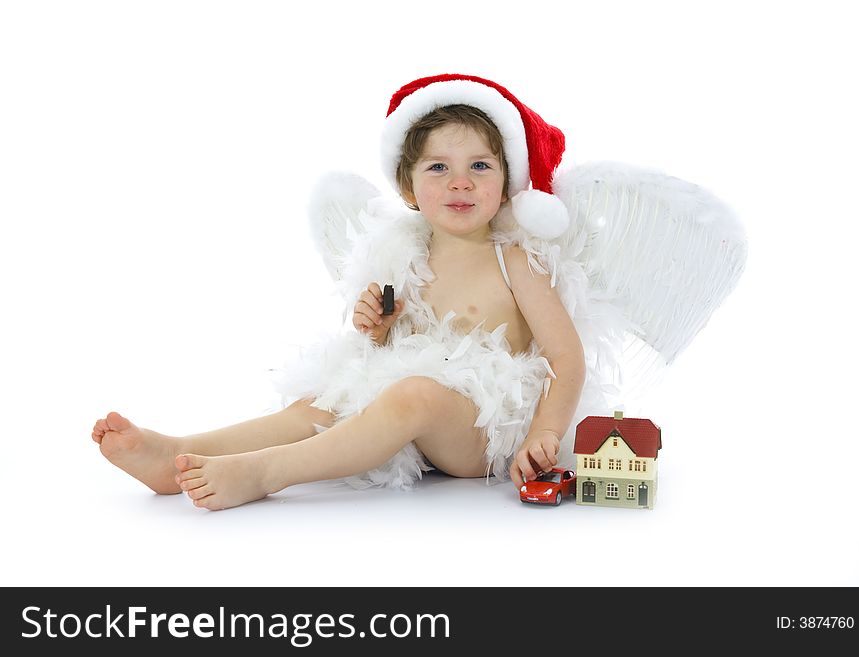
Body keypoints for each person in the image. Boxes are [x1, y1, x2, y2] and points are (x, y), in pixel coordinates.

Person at [92, 74, 586, 510]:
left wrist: (544, 434)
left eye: (479, 166)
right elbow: (388, 360)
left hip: (483, 433)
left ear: (506, 185)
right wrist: (376, 329)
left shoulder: (515, 261)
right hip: (409, 412)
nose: (460, 183)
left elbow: (566, 358)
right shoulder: (405, 257)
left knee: (414, 396)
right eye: (438, 168)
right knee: (320, 402)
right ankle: (176, 453)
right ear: (408, 189)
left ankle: (267, 471)